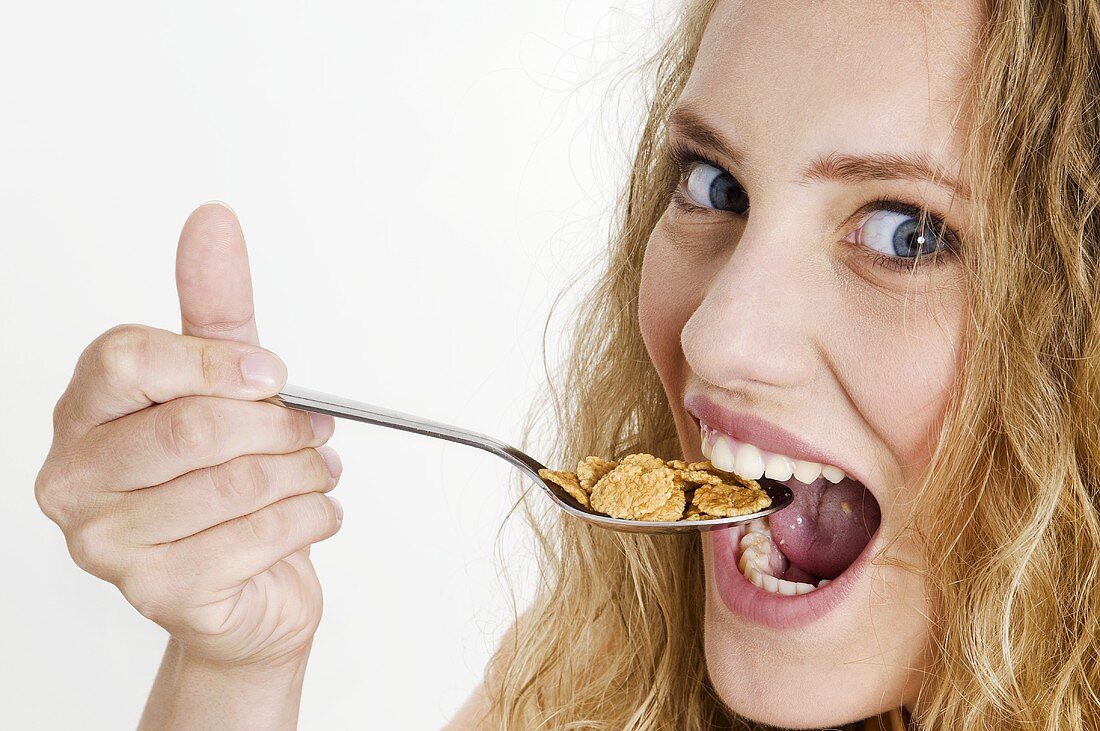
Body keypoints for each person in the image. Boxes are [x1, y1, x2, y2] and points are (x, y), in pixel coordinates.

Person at [34, 0, 1100, 728]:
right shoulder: (592, 688)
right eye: (715, 187)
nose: (713, 336)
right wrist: (234, 668)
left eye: (905, 230)